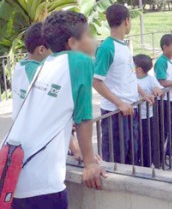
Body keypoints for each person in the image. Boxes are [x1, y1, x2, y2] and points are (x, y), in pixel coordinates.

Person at [7, 11, 106, 209]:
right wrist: (90, 163)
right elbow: (83, 119)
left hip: (14, 176)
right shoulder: (80, 62)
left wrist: (74, 147)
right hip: (42, 185)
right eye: (88, 35)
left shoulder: (44, 65)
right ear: (72, 43)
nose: (94, 41)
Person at [93, 4, 153, 165]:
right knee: (116, 156)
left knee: (131, 153)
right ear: (127, 21)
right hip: (116, 112)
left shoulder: (123, 46)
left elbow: (130, 75)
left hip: (129, 109)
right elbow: (96, 81)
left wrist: (143, 93)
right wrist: (119, 103)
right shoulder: (107, 47)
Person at [11, 22, 50, 118]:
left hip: (20, 126)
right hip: (35, 129)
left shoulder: (21, 65)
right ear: (41, 50)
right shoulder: (37, 71)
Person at [133, 54, 163, 167]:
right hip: (135, 115)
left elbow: (158, 88)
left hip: (147, 117)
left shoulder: (150, 79)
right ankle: (137, 162)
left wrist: (157, 89)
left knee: (146, 141)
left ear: (139, 69)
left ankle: (147, 163)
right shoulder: (131, 78)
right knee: (136, 141)